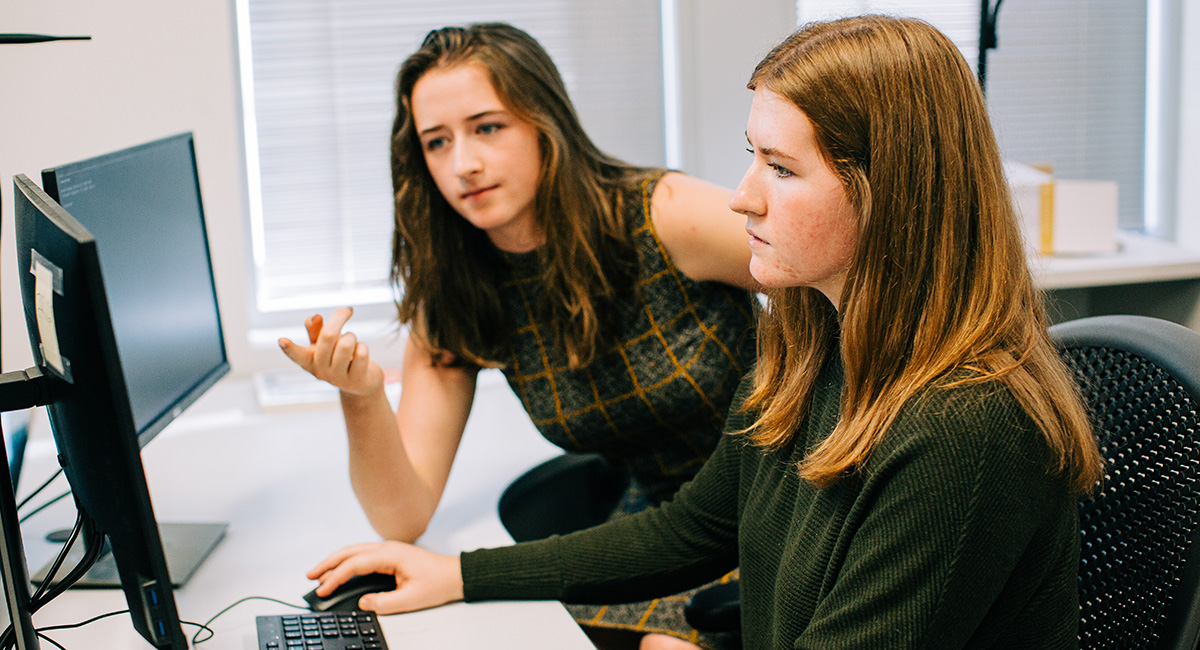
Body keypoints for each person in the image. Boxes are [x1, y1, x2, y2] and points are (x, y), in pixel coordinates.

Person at [302, 14, 1107, 650]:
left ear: (890, 190)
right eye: (750, 157)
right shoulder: (811, 340)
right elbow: (696, 528)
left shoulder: (963, 427)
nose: (742, 197)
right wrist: (459, 576)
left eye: (782, 169)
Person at [279, 22, 758, 649]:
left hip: (788, 498)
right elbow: (403, 516)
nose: (464, 164)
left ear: (543, 122)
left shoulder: (661, 215)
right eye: (437, 142)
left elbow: (841, 267)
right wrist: (363, 395)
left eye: (487, 127)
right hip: (665, 523)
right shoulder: (460, 289)